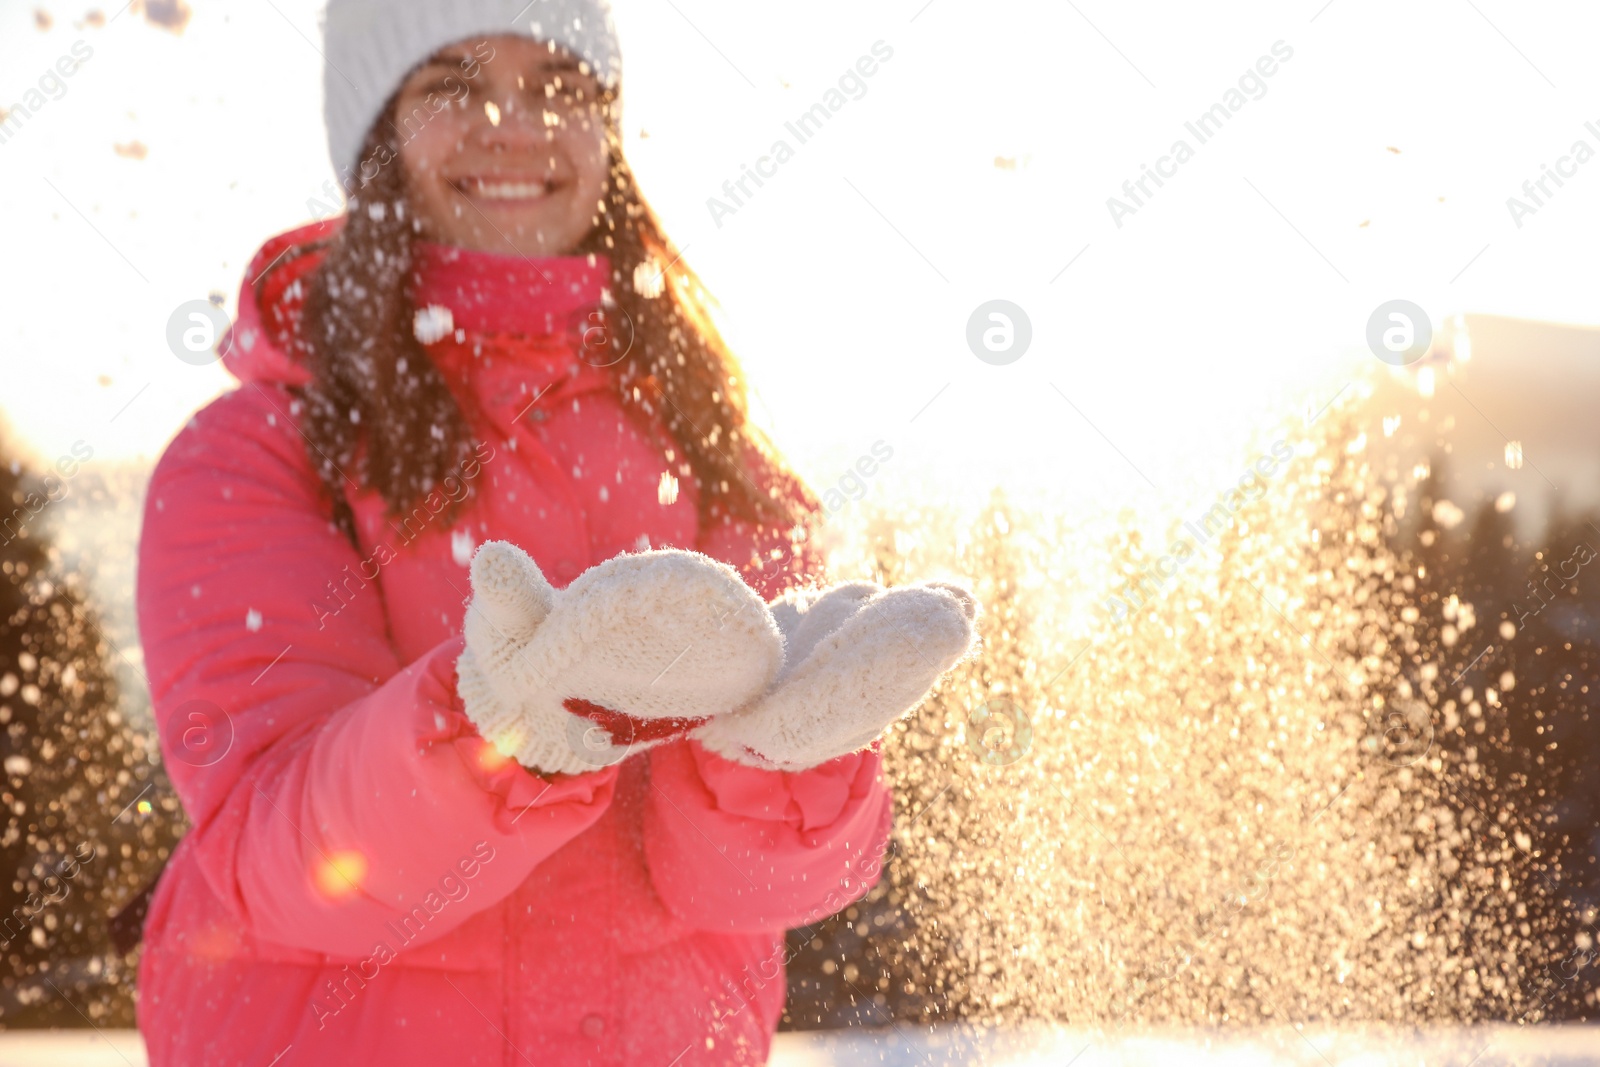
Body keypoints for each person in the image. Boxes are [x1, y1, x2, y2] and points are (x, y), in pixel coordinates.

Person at [133, 1, 978, 1064]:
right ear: (371, 135)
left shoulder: (717, 451)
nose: (512, 122)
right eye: (450, 82)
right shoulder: (255, 453)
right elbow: (281, 856)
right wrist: (491, 725)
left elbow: (739, 891)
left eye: (563, 87)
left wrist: (779, 760)